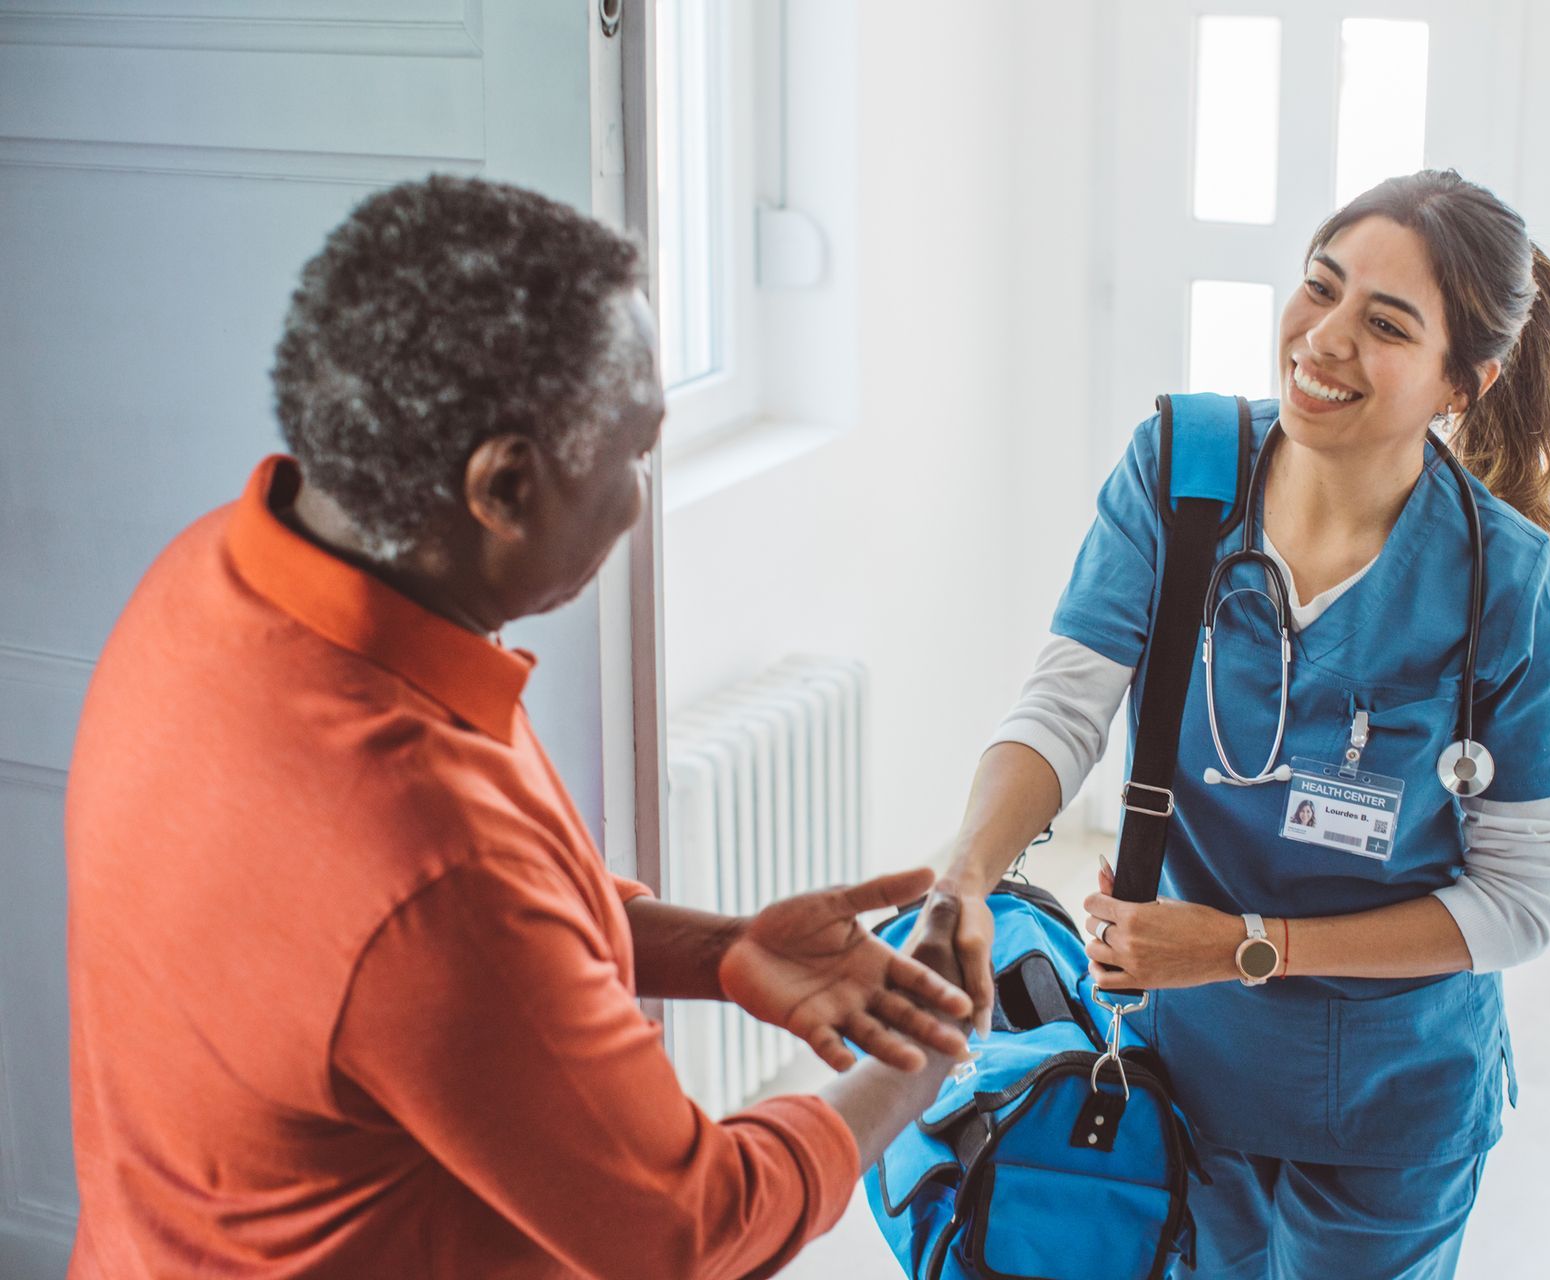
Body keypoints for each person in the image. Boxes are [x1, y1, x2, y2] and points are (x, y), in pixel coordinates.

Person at [64, 175, 971, 1280]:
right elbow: (688, 1228)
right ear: (502, 484)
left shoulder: (209, 575)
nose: (641, 495)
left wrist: (724, 947)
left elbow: (443, 970)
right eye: (635, 450)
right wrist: (922, 1053)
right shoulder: (425, 856)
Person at [912, 170, 1550, 1279]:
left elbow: (1521, 902)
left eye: (1385, 324)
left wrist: (1246, 945)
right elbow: (1062, 706)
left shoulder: (1501, 580)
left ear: (1460, 383)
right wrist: (964, 874)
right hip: (1187, 1064)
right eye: (1319, 288)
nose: (1323, 340)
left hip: (1396, 1094)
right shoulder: (1183, 473)